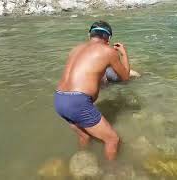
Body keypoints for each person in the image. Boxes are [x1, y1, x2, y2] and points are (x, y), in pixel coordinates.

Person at [54, 21, 130, 160]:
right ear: (108, 39)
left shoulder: (75, 49)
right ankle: (111, 172)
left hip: (59, 99)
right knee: (112, 140)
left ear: (90, 34)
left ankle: (82, 163)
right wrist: (123, 53)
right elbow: (125, 77)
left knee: (84, 135)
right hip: (77, 102)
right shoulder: (108, 51)